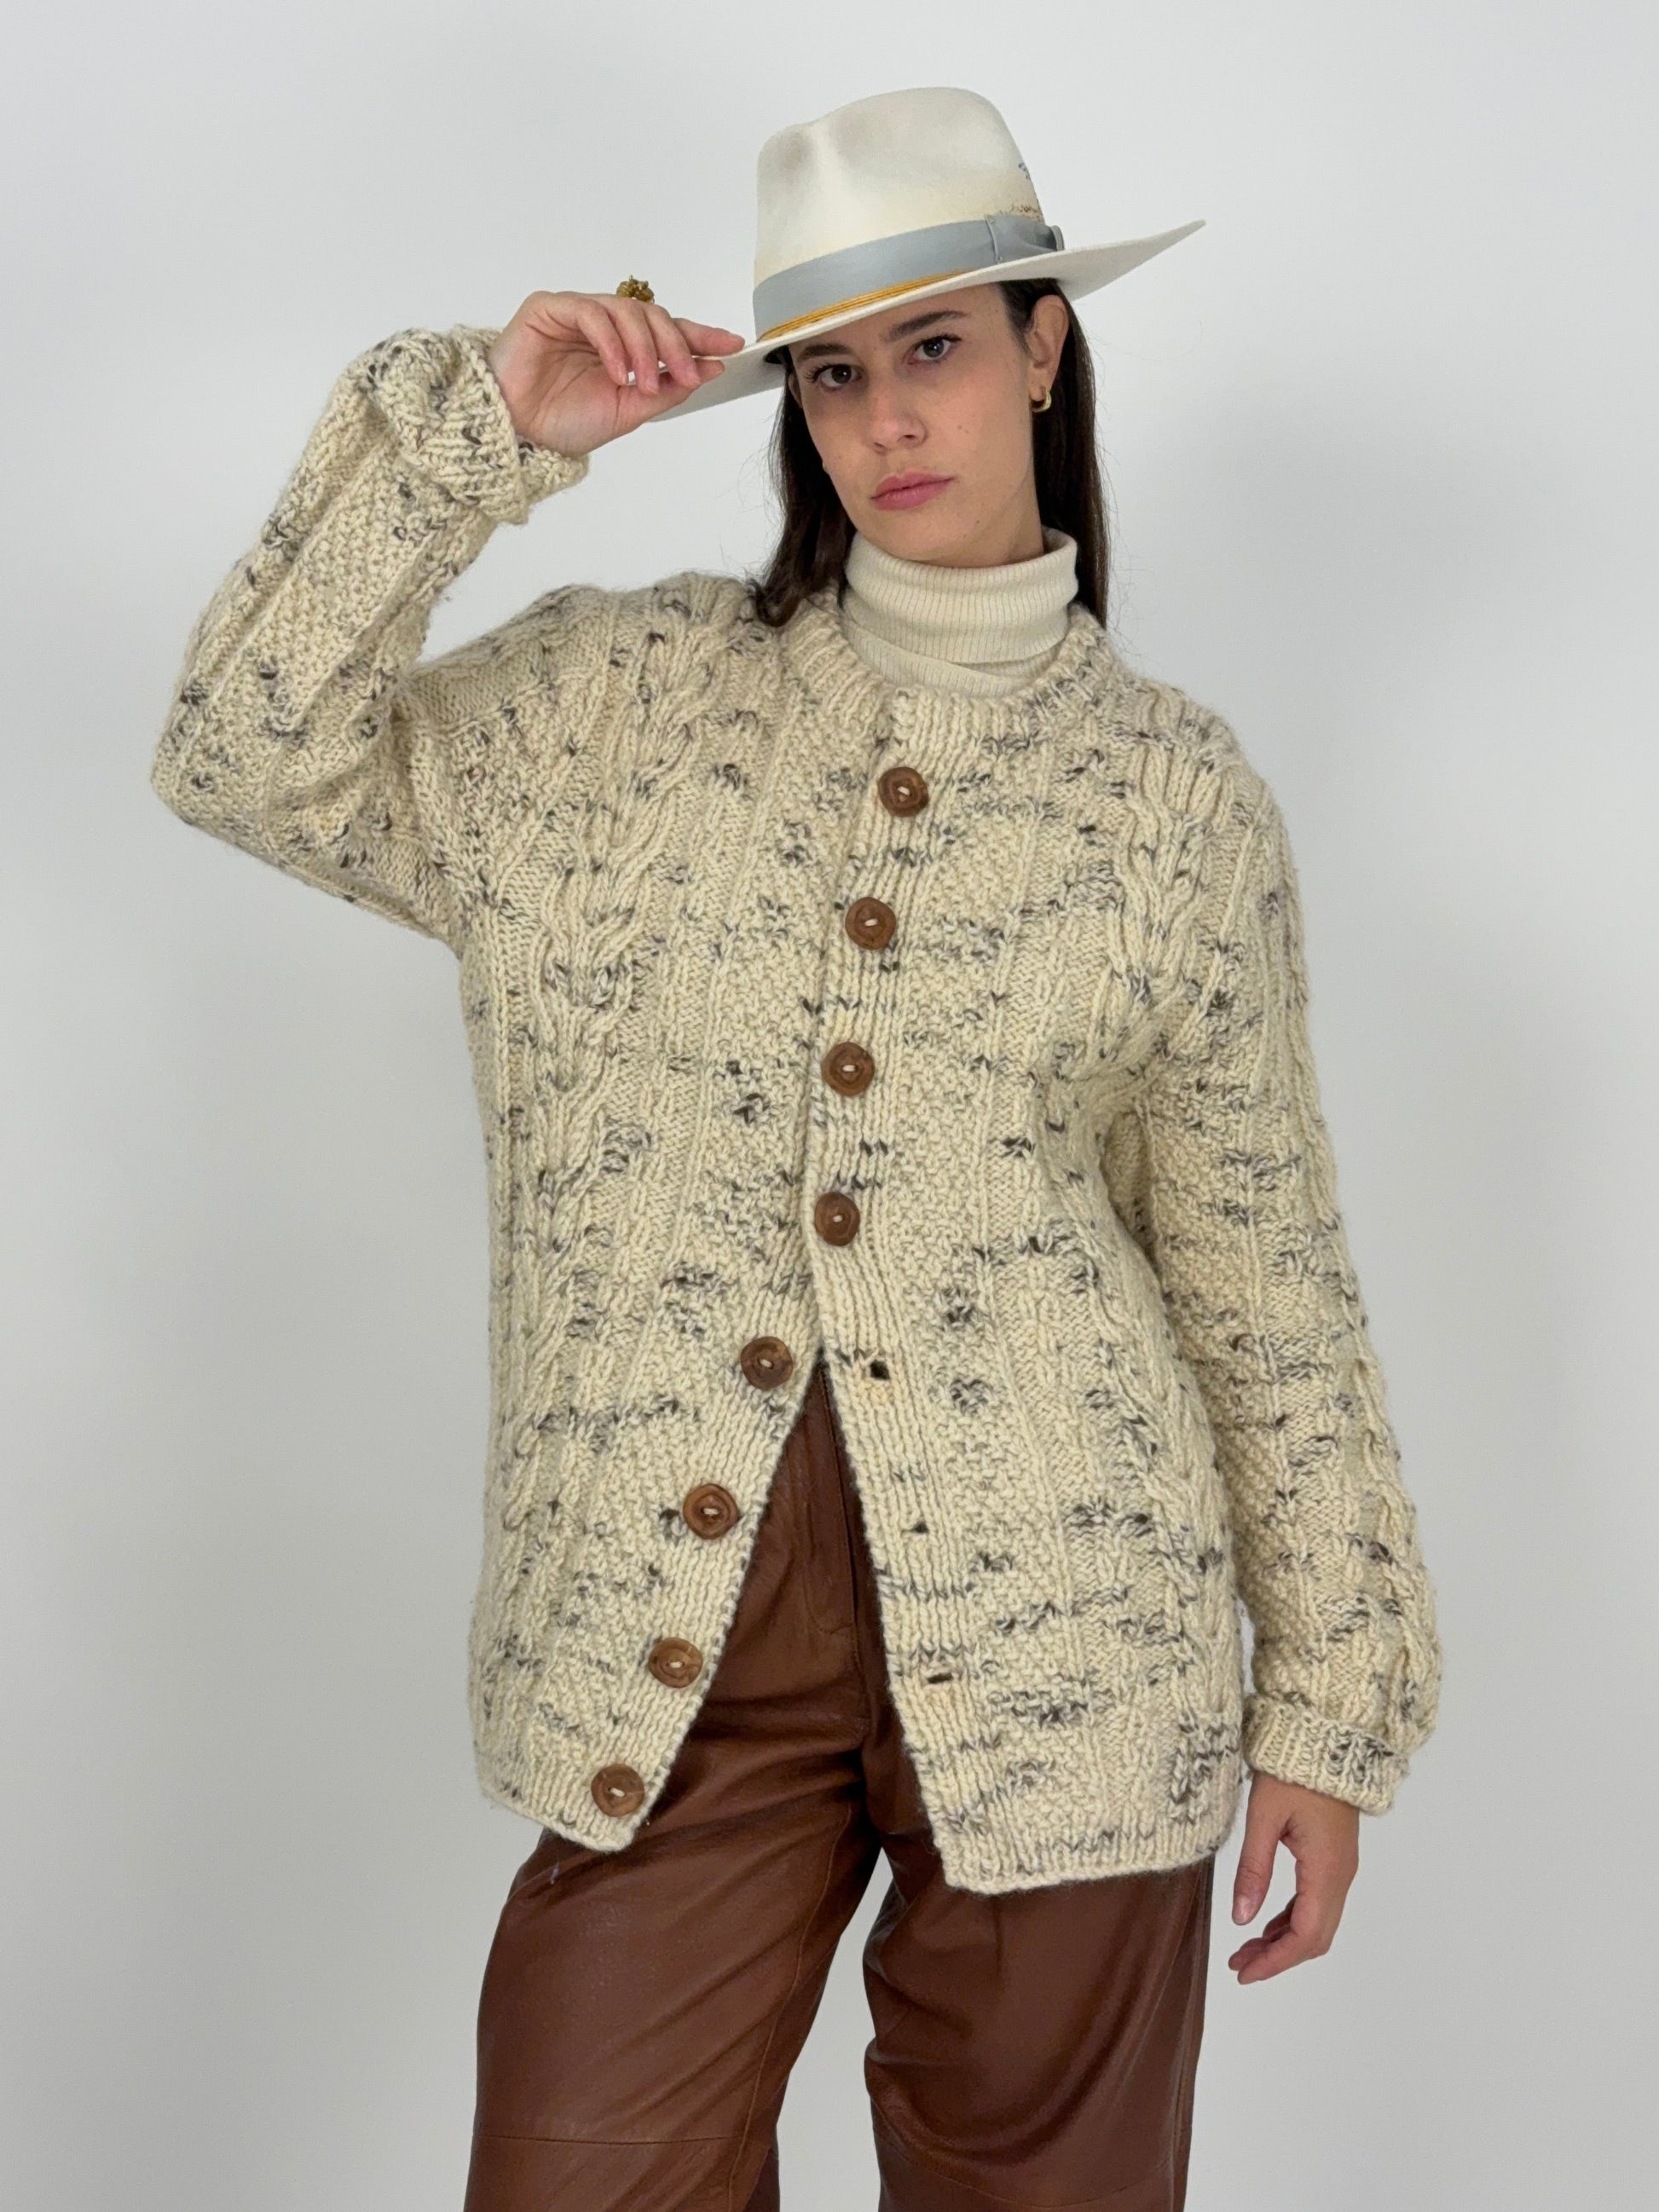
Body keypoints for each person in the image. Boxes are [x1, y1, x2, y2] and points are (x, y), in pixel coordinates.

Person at [150, 84, 1442, 2212]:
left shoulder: (1176, 799)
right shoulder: (615, 704)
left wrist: (1329, 1701)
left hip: (1071, 1647)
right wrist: (485, 428)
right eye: (830, 373)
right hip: (671, 1641)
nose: (884, 416)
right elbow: (240, 752)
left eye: (932, 345)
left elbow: (1260, 1272)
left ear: (1043, 346)